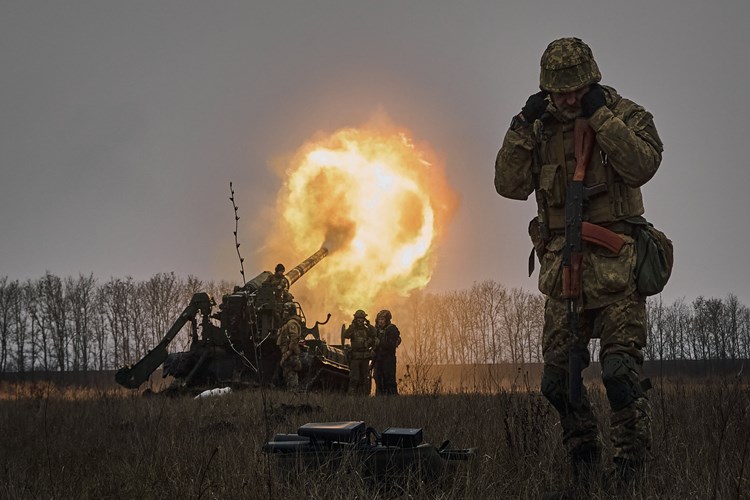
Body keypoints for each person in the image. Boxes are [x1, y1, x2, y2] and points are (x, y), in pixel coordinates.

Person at [494, 37, 663, 485]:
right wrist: (520, 123)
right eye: (558, 92)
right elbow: (508, 184)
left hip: (616, 273)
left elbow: (643, 165)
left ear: (591, 81)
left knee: (620, 375)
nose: (567, 100)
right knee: (556, 382)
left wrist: (601, 117)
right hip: (561, 272)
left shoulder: (624, 114)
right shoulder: (538, 128)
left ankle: (630, 470)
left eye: (575, 90)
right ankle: (584, 459)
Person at [342, 309, 378, 395]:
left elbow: (374, 334)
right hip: (355, 358)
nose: (360, 321)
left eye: (362, 319)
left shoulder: (367, 330)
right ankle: (352, 396)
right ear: (355, 319)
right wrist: (352, 326)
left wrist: (369, 325)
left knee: (364, 379)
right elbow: (345, 335)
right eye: (358, 319)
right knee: (354, 378)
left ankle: (363, 397)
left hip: (365, 357)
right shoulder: (353, 329)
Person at [373, 309, 401, 395]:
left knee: (389, 380)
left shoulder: (392, 329)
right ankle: (379, 399)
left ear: (387, 320)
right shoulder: (376, 330)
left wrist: (380, 343)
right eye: (379, 319)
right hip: (378, 358)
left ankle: (392, 399)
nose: (380, 322)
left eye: (382, 319)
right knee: (378, 379)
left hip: (388, 358)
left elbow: (391, 344)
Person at [276, 302, 303, 391]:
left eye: (286, 311)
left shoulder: (292, 323)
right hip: (287, 354)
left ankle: (293, 396)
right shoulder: (288, 323)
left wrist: (288, 352)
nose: (283, 313)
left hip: (290, 355)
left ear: (290, 312)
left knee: (291, 376)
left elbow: (294, 337)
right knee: (288, 375)